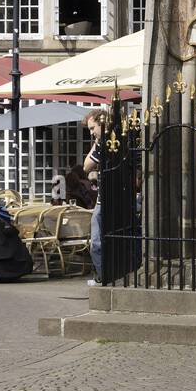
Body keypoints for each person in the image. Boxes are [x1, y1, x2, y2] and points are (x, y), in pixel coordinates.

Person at [84, 109, 104, 286]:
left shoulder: (102, 143)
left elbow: (86, 166)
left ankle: (103, 276)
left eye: (92, 128)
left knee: (96, 242)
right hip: (108, 198)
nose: (91, 133)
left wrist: (97, 142)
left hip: (104, 200)